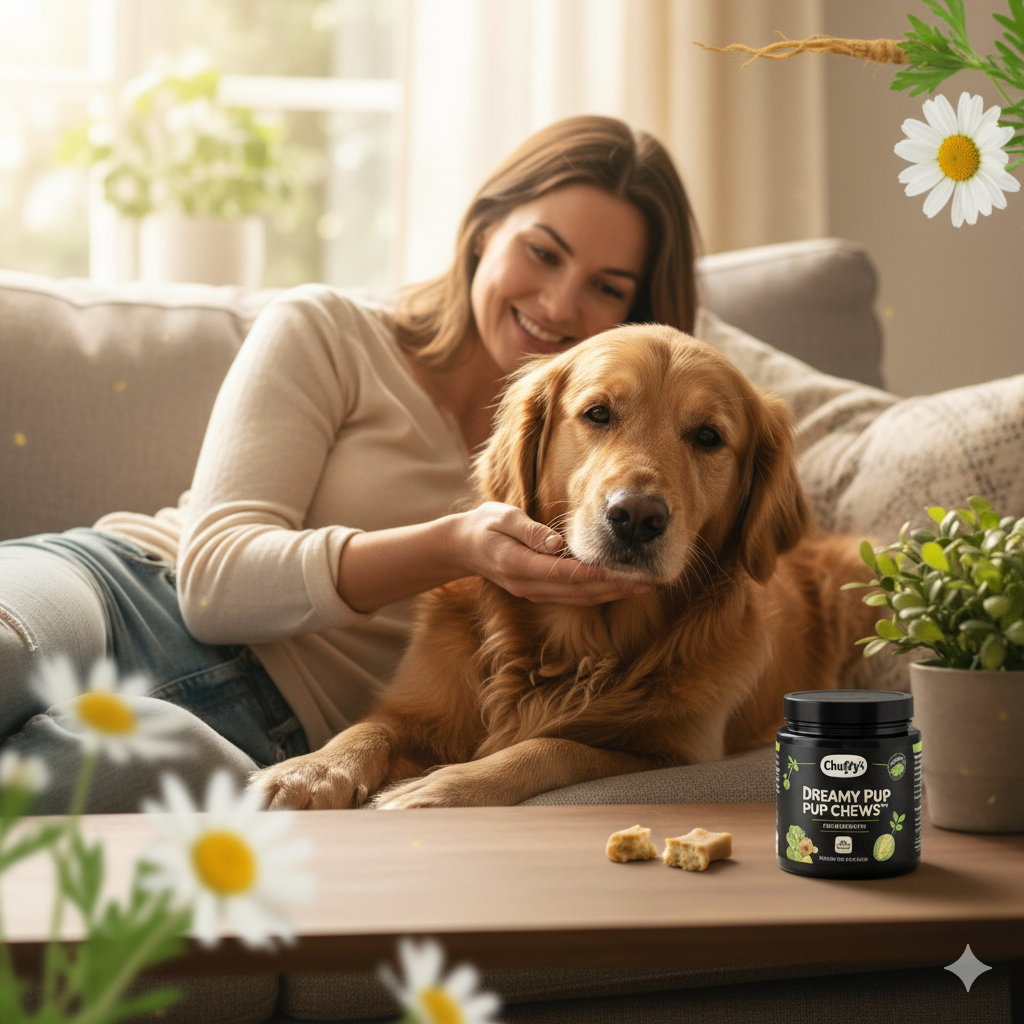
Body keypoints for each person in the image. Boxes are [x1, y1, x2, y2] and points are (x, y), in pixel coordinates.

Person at [0, 115, 702, 812]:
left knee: (88, 777)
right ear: (486, 229)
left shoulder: (629, 452)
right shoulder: (330, 330)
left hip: (266, 734)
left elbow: (767, 414)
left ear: (635, 310)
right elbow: (213, 583)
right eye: (543, 253)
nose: (558, 303)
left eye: (607, 288)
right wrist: (457, 546)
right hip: (120, 591)